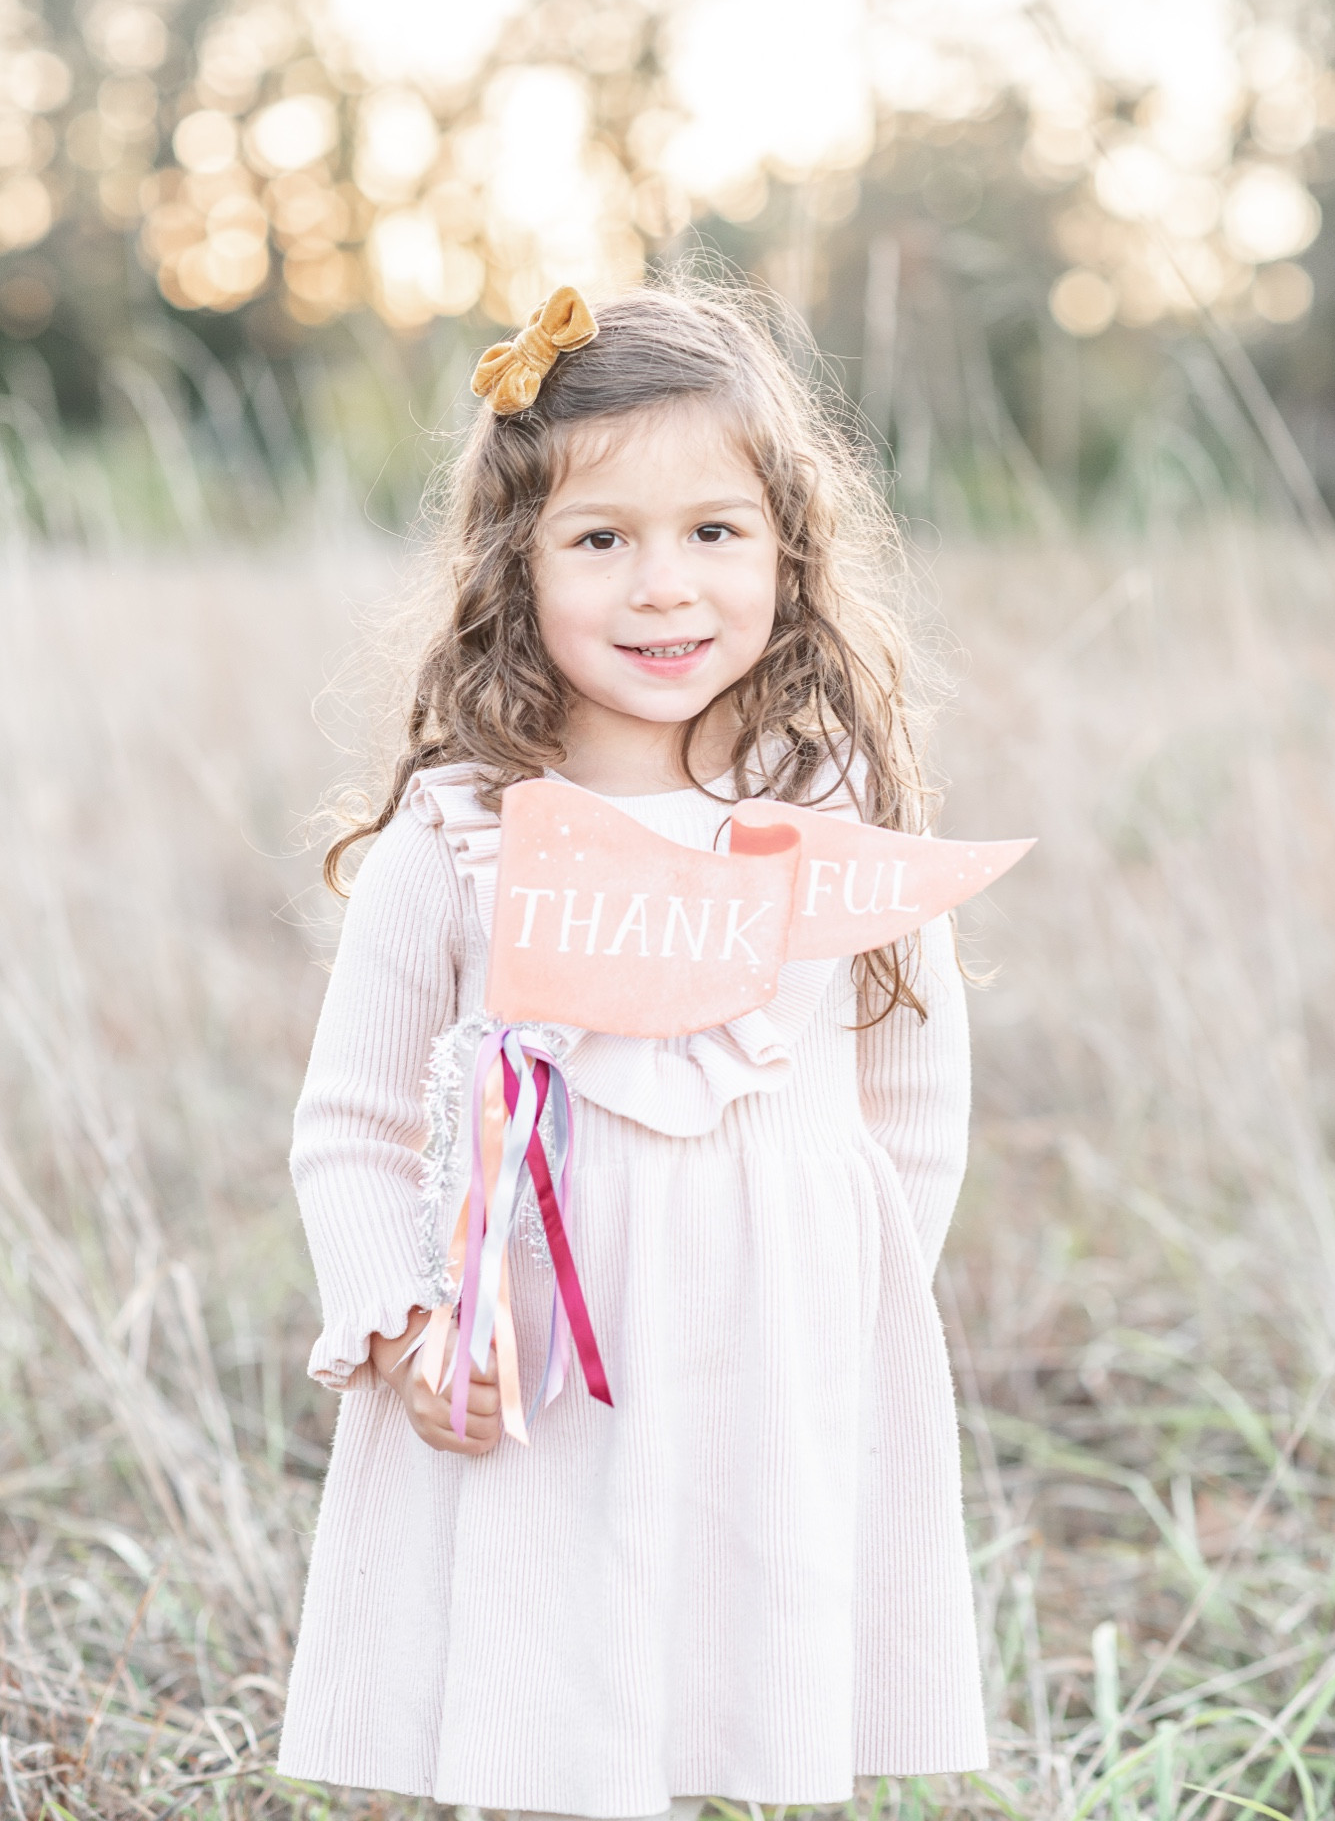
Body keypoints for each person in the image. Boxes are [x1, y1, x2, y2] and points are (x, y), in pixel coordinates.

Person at [276, 283, 988, 1814]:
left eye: (713, 532)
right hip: (536, 1361)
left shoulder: (833, 814)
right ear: (512, 565)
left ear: (788, 547)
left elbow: (913, 1100)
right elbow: (347, 1122)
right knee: (551, 1709)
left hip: (774, 1360)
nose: (663, 588)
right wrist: (408, 1330)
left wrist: (855, 1306)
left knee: (744, 1703)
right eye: (601, 539)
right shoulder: (456, 832)